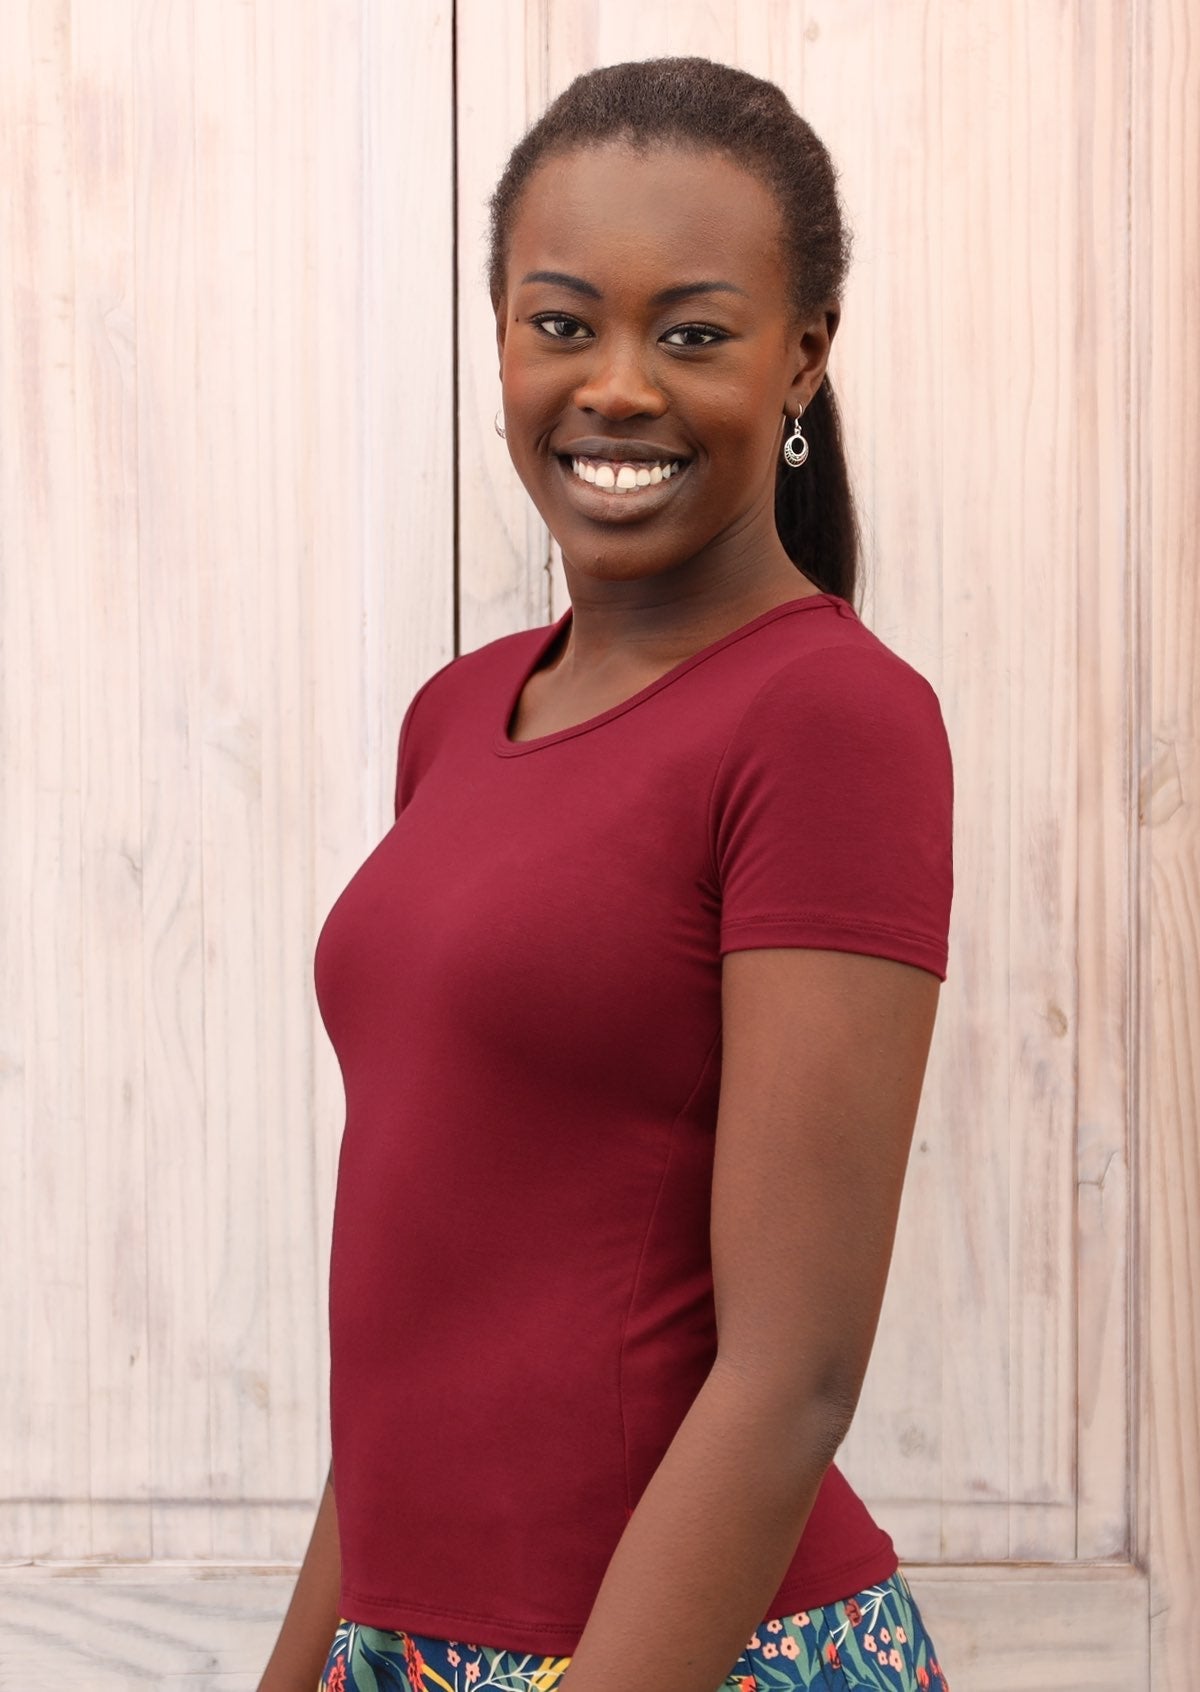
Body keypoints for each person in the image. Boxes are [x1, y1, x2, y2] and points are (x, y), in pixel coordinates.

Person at [260, 56, 954, 1692]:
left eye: (694, 333)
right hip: (416, 1648)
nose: (618, 386)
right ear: (500, 335)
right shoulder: (455, 714)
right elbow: (429, 1320)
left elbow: (793, 1373)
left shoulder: (833, 719)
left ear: (804, 358)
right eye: (562, 323)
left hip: (693, 1653)